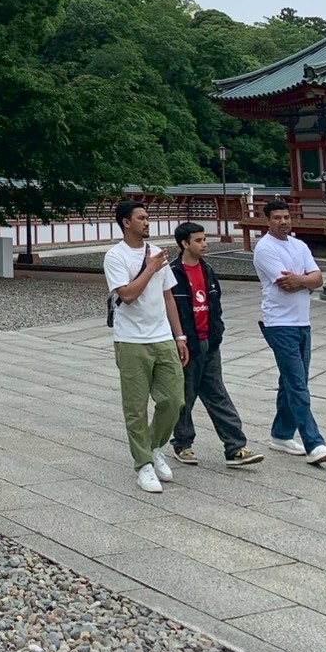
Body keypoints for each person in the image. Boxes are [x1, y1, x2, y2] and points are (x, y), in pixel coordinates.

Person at [103, 200, 188, 494]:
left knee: (173, 400)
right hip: (131, 340)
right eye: (141, 218)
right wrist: (150, 268)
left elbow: (168, 297)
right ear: (126, 223)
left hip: (162, 336)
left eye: (148, 217)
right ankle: (143, 465)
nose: (147, 222)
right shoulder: (115, 256)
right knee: (136, 407)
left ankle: (153, 447)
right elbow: (127, 295)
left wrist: (180, 336)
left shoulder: (157, 253)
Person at [169, 223, 262, 468]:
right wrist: (179, 338)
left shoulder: (207, 269)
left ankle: (235, 447)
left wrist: (217, 331)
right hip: (186, 344)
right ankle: (182, 443)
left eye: (204, 239)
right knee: (184, 396)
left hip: (210, 342)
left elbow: (215, 303)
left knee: (217, 394)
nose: (204, 244)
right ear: (184, 243)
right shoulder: (173, 272)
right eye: (198, 240)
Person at [252, 198, 326, 465]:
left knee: (292, 380)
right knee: (297, 384)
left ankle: (281, 433)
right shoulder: (265, 248)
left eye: (286, 217)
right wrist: (305, 281)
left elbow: (318, 278)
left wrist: (303, 280)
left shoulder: (299, 245)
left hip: (302, 321)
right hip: (279, 323)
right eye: (277, 218)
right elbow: (285, 283)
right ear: (268, 221)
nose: (283, 222)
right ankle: (314, 443)